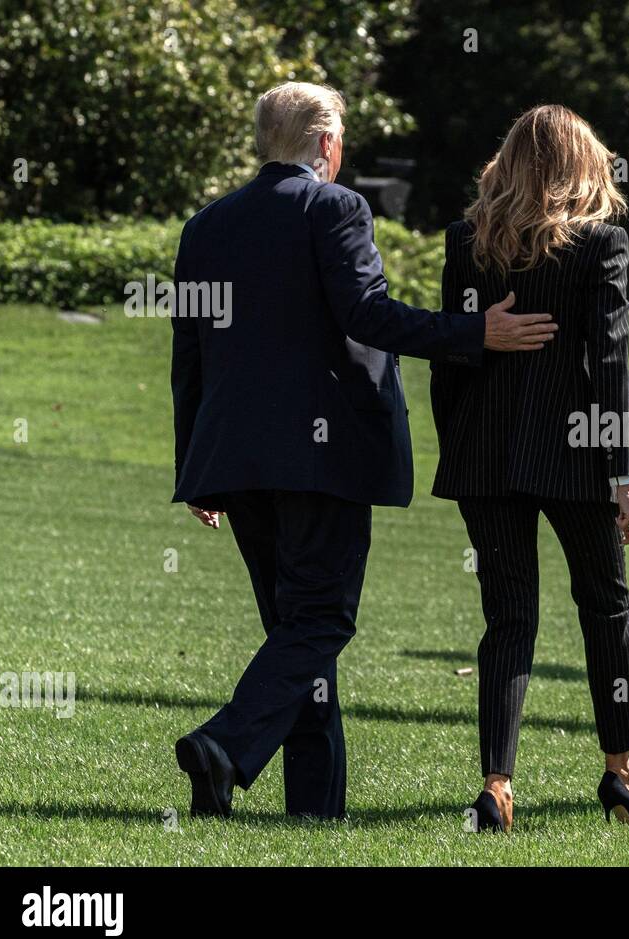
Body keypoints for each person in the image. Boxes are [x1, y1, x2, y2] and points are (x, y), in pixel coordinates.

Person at [170, 82, 556, 818]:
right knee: (320, 622)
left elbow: (188, 354)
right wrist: (476, 332)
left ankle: (314, 810)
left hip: (234, 459)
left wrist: (198, 467)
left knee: (297, 634)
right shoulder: (335, 207)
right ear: (326, 144)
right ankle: (223, 745)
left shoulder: (205, 225)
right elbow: (367, 315)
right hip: (322, 455)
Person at [431, 105, 629, 831]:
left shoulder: (468, 243)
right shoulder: (601, 246)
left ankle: (497, 786)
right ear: (578, 165)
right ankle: (620, 770)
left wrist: (459, 448)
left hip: (485, 457)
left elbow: (452, 360)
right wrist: (627, 477)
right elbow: (609, 365)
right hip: (579, 455)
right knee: (606, 606)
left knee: (508, 619)